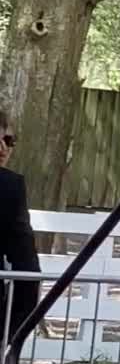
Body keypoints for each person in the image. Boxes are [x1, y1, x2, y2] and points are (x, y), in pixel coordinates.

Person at [0, 110, 40, 347]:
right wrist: (11, 331)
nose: (3, 149)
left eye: (9, 141)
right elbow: (28, 271)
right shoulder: (9, 187)